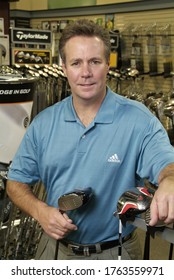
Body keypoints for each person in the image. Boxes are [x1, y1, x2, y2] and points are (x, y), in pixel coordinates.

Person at [6, 19, 174, 260]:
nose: (85, 73)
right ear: (64, 67)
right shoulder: (43, 124)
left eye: (94, 62)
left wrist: (170, 180)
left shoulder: (139, 120)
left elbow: (166, 163)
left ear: (107, 64)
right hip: (53, 251)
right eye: (76, 63)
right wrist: (40, 211)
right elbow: (15, 182)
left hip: (115, 252)